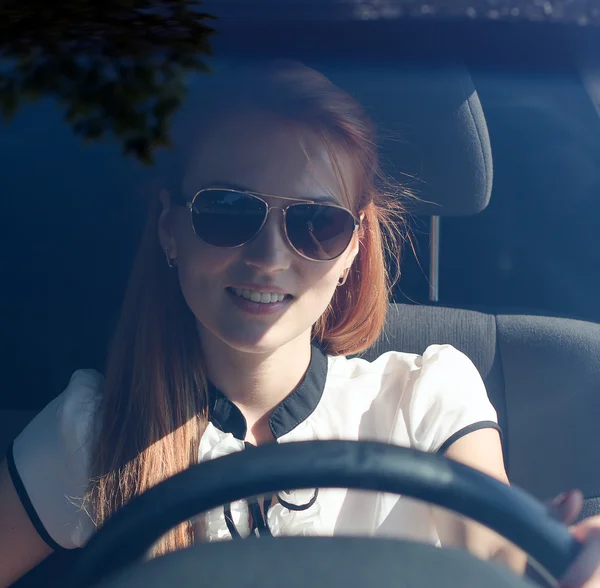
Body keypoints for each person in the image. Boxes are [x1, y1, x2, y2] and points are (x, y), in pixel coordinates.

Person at [0, 61, 599, 587]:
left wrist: (570, 567)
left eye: (317, 223)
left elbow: (500, 554)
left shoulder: (425, 396)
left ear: (353, 252)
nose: (268, 257)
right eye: (227, 210)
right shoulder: (98, 428)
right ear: (170, 230)